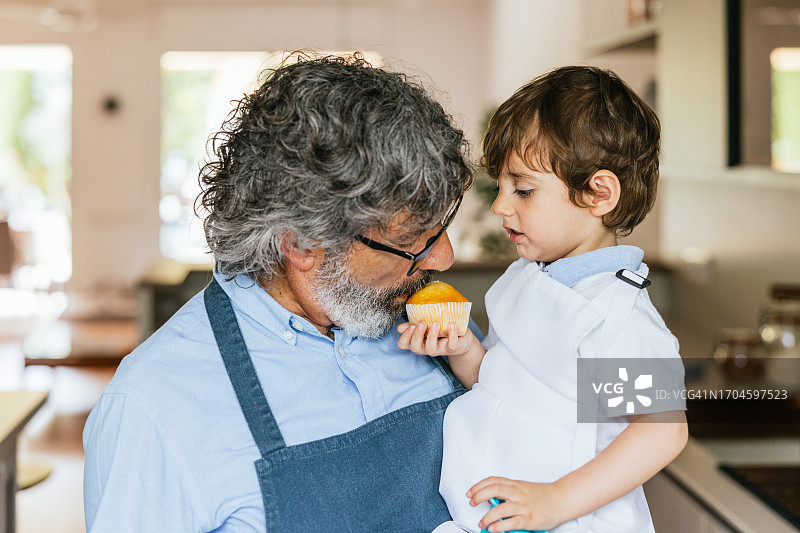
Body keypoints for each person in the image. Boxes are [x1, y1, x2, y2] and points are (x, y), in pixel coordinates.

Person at [82, 53, 474, 532]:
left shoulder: (441, 329)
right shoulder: (152, 406)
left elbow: (554, 433)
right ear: (303, 245)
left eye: (441, 228)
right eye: (414, 241)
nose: (443, 258)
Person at [398, 66, 688, 533]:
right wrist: (463, 350)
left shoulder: (614, 313)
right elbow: (503, 387)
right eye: (500, 187)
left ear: (598, 194)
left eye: (524, 190)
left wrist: (557, 500)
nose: (500, 206)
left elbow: (661, 429)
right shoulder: (526, 277)